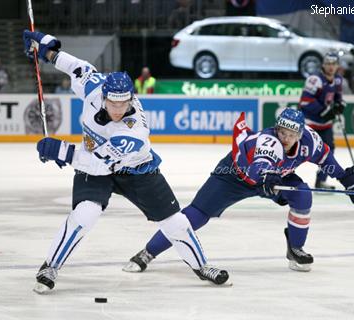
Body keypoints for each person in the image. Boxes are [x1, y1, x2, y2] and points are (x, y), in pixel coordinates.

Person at [23, 30, 229, 293]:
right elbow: (77, 68)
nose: (118, 110)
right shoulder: (94, 87)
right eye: (113, 103)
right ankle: (50, 266)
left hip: (137, 170)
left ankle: (202, 266)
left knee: (176, 223)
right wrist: (46, 50)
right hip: (94, 163)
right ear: (103, 96)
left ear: (132, 98)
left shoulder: (133, 133)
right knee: (86, 213)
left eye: (124, 104)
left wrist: (61, 150)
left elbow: (97, 164)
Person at [123, 109, 354, 273]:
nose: (285, 138)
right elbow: (260, 166)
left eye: (291, 134)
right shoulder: (268, 142)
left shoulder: (310, 142)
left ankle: (295, 249)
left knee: (302, 194)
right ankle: (147, 253)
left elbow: (327, 161)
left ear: (300, 134)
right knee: (195, 215)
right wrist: (266, 175)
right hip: (234, 176)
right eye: (282, 132)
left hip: (272, 180)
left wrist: (347, 180)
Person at [298, 52, 345, 189]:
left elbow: (337, 97)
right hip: (309, 123)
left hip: (325, 124)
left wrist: (339, 105)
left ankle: (320, 180)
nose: (331, 67)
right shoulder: (315, 80)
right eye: (328, 63)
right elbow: (305, 101)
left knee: (328, 152)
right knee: (299, 151)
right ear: (323, 65)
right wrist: (323, 111)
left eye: (333, 64)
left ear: (337, 66)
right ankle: (279, 175)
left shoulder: (338, 80)